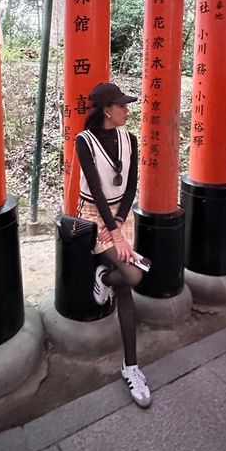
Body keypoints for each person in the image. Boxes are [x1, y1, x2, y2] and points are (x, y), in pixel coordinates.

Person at [75, 81, 152, 408]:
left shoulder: (129, 139)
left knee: (127, 286)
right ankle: (104, 277)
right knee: (133, 275)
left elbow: (132, 185)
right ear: (107, 110)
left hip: (120, 217)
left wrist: (120, 225)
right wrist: (112, 232)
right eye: (122, 105)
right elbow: (93, 186)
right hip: (94, 217)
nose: (127, 109)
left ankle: (131, 366)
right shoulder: (84, 142)